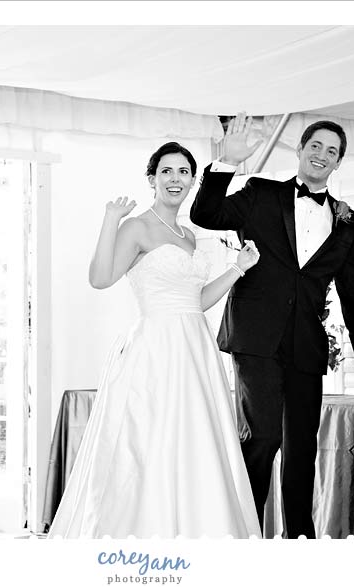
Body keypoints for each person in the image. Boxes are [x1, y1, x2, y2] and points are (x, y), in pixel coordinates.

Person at [47, 142, 262, 539]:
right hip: (157, 347)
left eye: (183, 172)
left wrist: (237, 268)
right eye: (167, 171)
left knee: (196, 439)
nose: (175, 179)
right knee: (152, 439)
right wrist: (110, 219)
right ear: (152, 179)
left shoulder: (190, 235)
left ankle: (198, 527)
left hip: (195, 348)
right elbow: (100, 278)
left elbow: (195, 302)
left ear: (193, 180)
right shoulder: (137, 226)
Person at [189, 114, 354, 539]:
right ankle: (246, 532)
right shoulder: (261, 193)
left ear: (338, 163)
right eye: (316, 146)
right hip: (255, 335)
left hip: (306, 344)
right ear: (301, 149)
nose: (322, 155)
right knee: (263, 436)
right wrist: (226, 163)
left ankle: (299, 540)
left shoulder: (348, 221)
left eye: (332, 151)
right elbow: (206, 213)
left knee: (301, 450)